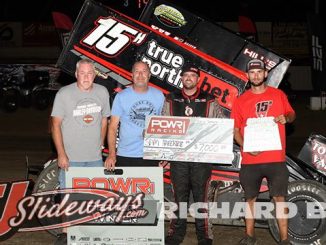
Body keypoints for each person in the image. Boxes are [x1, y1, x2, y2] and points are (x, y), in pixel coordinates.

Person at [230, 59, 296, 245]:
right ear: (247, 75)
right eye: (252, 72)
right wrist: (247, 147)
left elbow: (292, 114)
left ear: (266, 73)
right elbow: (235, 130)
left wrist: (286, 118)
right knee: (249, 198)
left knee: (279, 199)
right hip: (251, 160)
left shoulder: (278, 94)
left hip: (275, 158)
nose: (256, 75)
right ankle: (250, 236)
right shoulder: (241, 100)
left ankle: (285, 239)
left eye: (260, 72)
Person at [163, 64, 225, 245]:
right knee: (178, 198)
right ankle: (175, 233)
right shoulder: (171, 99)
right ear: (181, 78)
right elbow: (163, 124)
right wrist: (156, 143)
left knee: (201, 199)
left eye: (192, 75)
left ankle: (204, 235)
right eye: (186, 75)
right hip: (178, 160)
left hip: (202, 160)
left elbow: (222, 127)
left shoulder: (209, 100)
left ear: (198, 80)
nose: (189, 78)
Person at [51, 58, 111, 245]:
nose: (86, 77)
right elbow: (55, 125)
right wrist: (61, 154)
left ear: (95, 75)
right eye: (82, 73)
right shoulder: (64, 93)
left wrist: (101, 144)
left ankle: (88, 234)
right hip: (71, 159)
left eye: (90, 73)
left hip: (94, 159)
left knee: (92, 199)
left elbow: (104, 120)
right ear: (76, 74)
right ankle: (65, 234)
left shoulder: (102, 92)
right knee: (68, 199)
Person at [105, 61, 164, 169]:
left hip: (151, 156)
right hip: (125, 155)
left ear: (149, 75)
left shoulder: (159, 96)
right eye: (137, 71)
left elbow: (165, 127)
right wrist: (112, 154)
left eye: (144, 71)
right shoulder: (121, 96)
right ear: (132, 75)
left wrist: (163, 155)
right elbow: (112, 128)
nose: (140, 75)